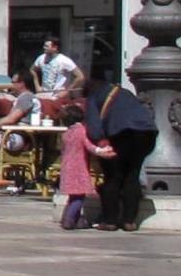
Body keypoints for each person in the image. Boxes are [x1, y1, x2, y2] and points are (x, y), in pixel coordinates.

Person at [78, 73, 158, 231]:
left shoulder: (94, 96)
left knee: (113, 176)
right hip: (147, 133)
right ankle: (129, 221)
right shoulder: (123, 92)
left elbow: (94, 125)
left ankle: (110, 220)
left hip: (121, 133)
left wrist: (100, 142)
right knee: (132, 174)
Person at [57, 99, 118, 229]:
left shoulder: (66, 133)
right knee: (79, 197)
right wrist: (101, 151)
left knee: (73, 195)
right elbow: (88, 146)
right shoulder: (80, 130)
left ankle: (78, 220)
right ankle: (68, 219)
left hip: (67, 166)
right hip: (78, 167)